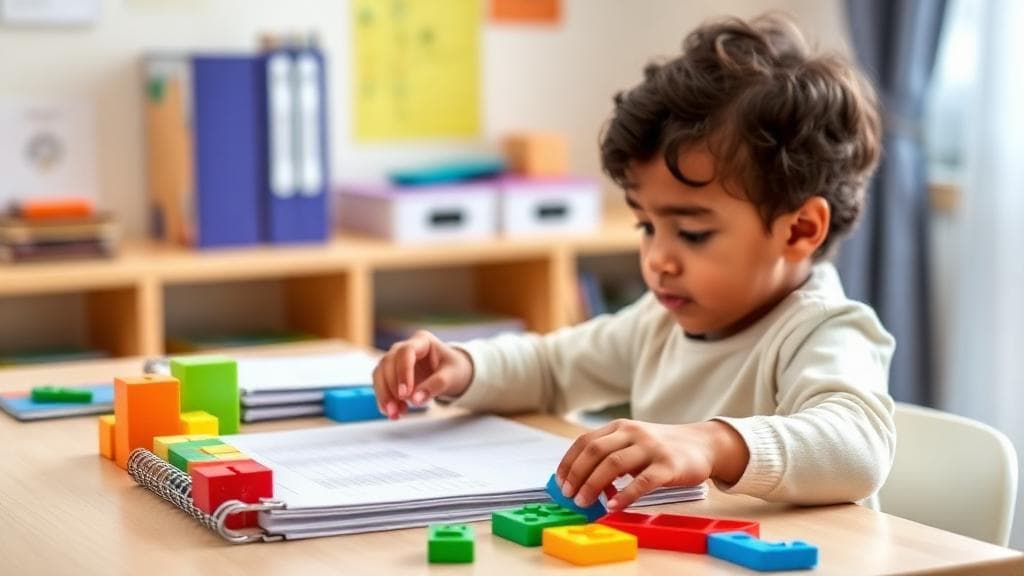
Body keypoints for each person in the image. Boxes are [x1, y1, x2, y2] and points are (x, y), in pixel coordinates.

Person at [371, 13, 895, 512]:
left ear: (800, 229)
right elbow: (552, 368)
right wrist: (463, 368)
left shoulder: (824, 329)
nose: (659, 259)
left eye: (692, 233)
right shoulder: (659, 323)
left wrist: (712, 444)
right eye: (647, 225)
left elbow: (856, 447)